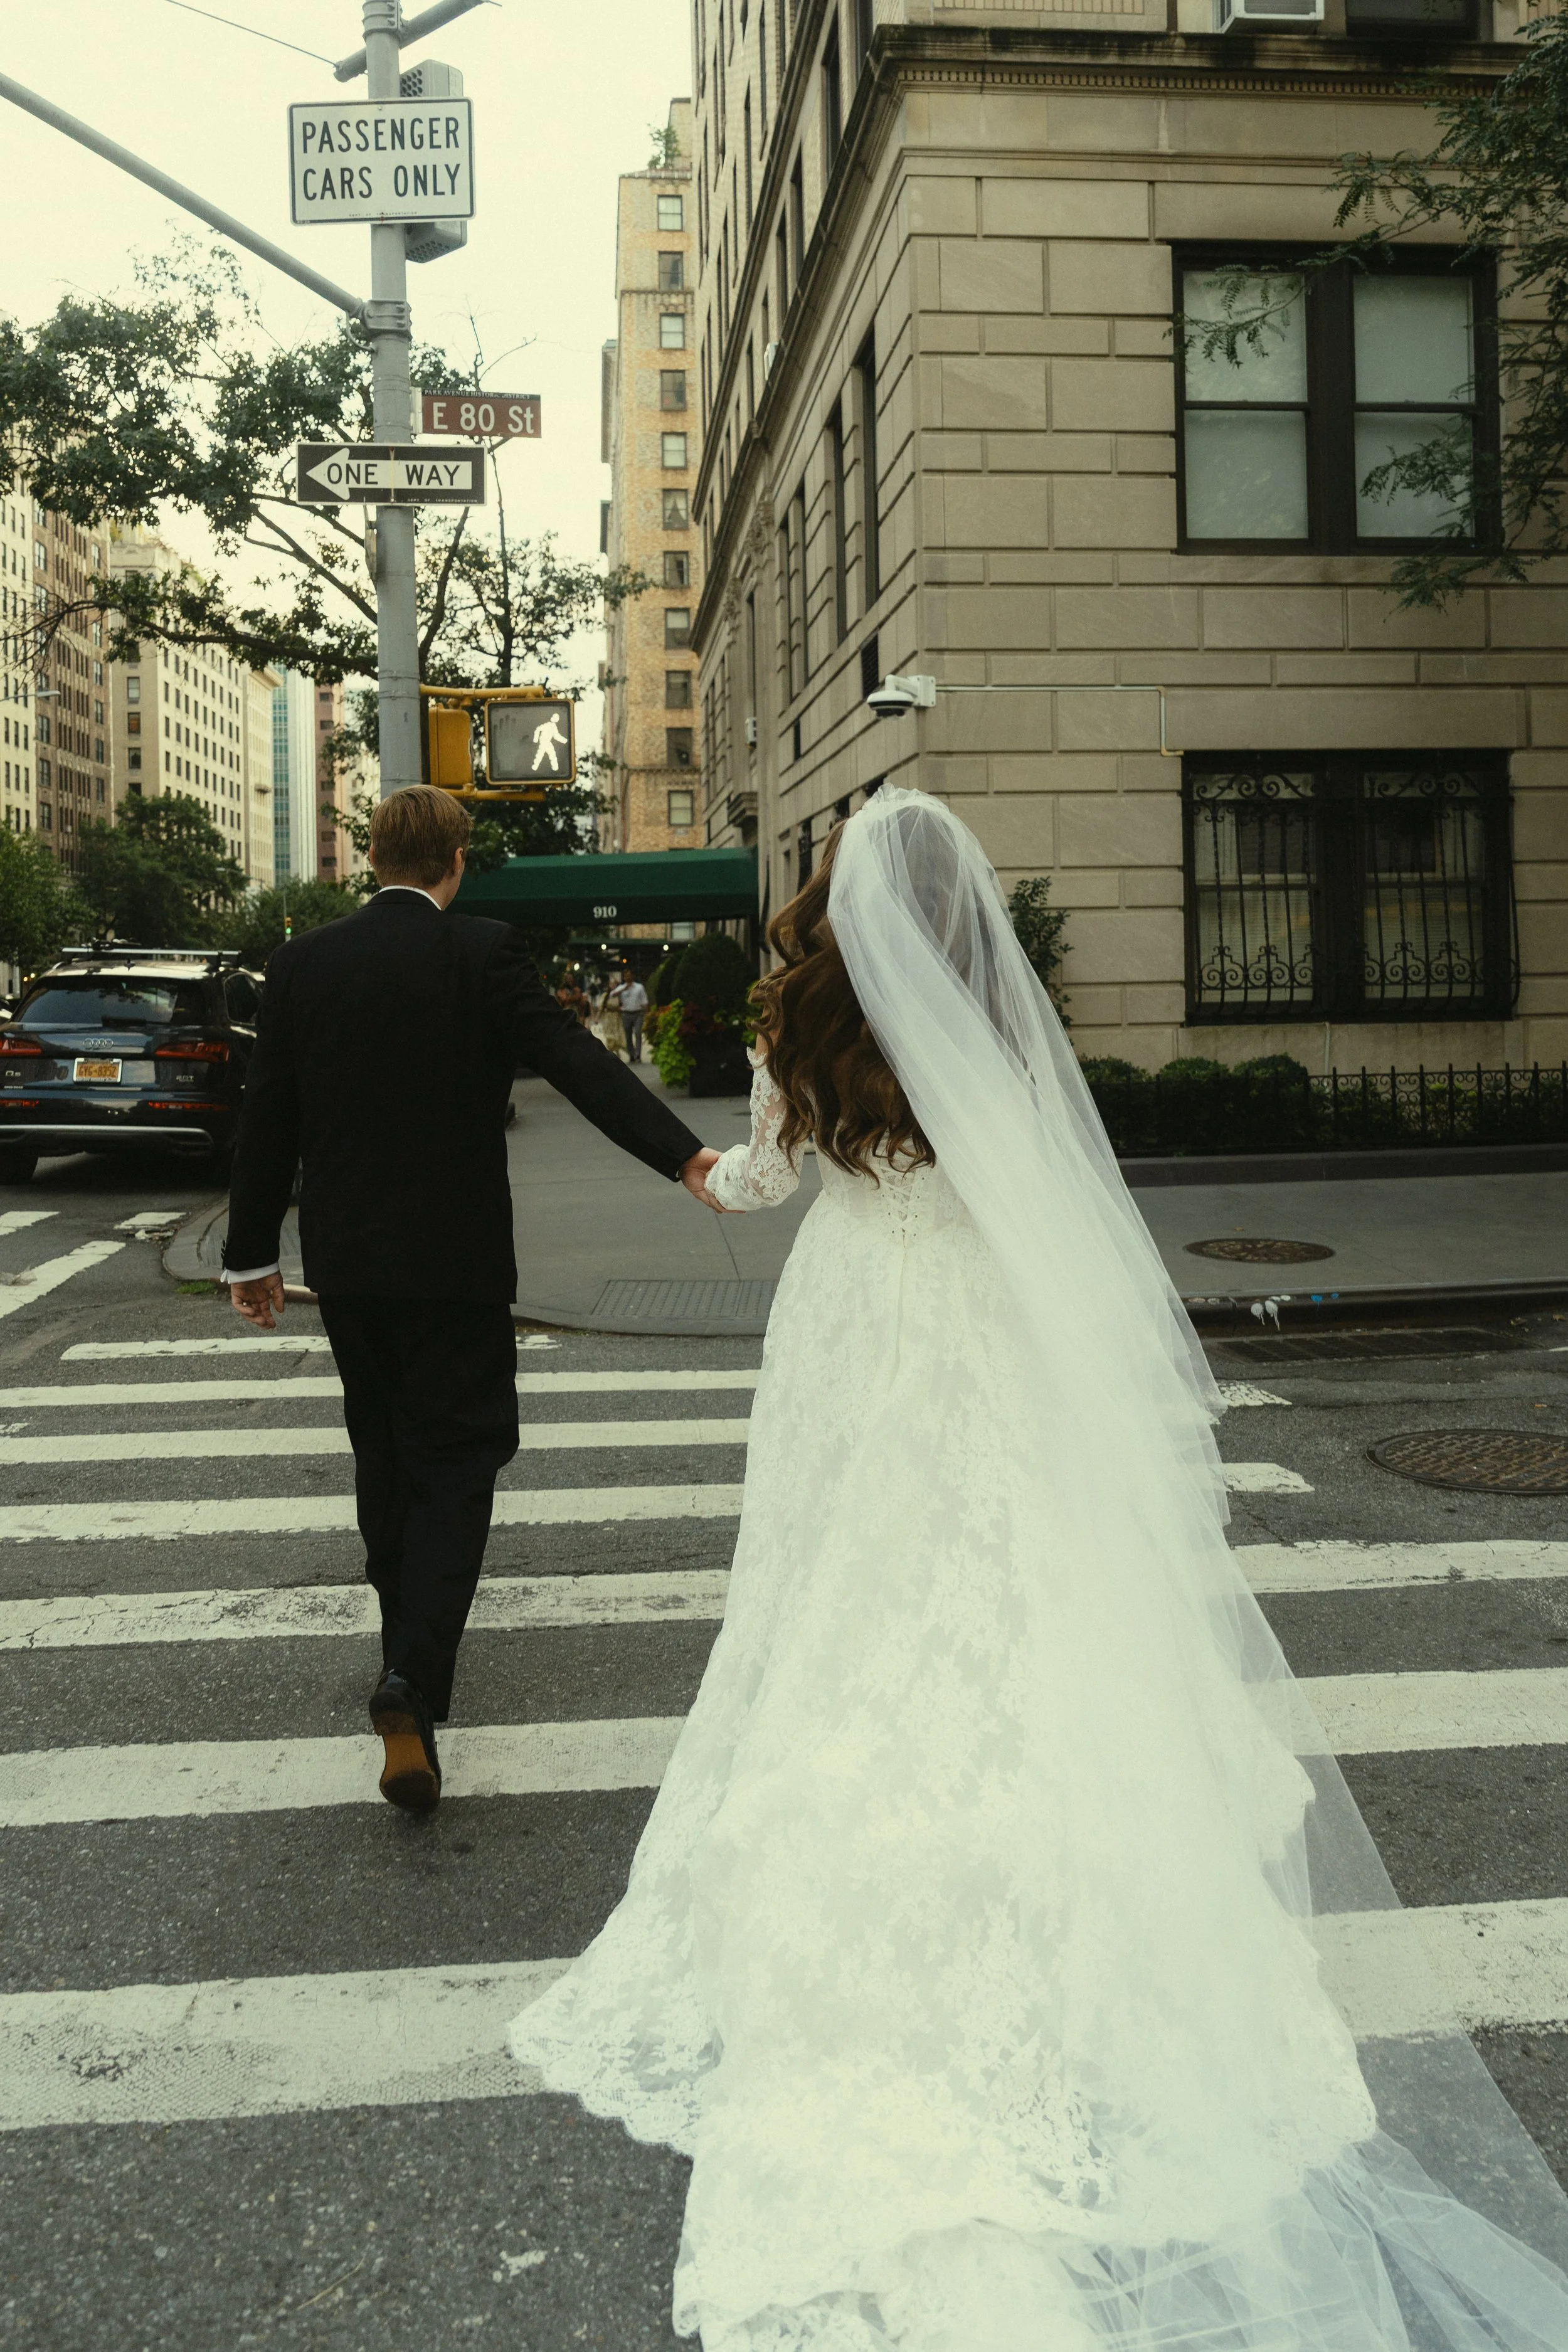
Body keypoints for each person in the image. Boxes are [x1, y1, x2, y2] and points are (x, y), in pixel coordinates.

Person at [511, 786, 1568, 2352]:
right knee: (1015, 1569)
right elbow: (1050, 1198)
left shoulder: (804, 1013)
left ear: (848, 895)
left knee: (850, 1582)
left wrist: (692, 1171)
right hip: (985, 1325)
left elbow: (761, 1182)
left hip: (859, 1319)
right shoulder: (1000, 1019)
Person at [222, 786, 718, 1812]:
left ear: (372, 859)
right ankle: (413, 1678)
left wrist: (248, 1254)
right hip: (456, 1264)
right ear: (455, 859)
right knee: (460, 1458)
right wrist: (684, 1156)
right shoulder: (484, 953)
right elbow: (579, 1066)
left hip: (348, 1264)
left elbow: (268, 1114)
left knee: (386, 1449)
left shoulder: (304, 965)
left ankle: (402, 1639)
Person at [617, 968, 649, 1062]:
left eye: (629, 975)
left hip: (638, 1013)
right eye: (626, 975)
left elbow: (644, 1000)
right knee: (628, 1035)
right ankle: (631, 1054)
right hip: (626, 1014)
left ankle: (638, 1054)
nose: (628, 977)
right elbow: (612, 995)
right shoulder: (621, 988)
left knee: (638, 1033)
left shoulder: (639, 987)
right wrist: (624, 989)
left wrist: (647, 1012)